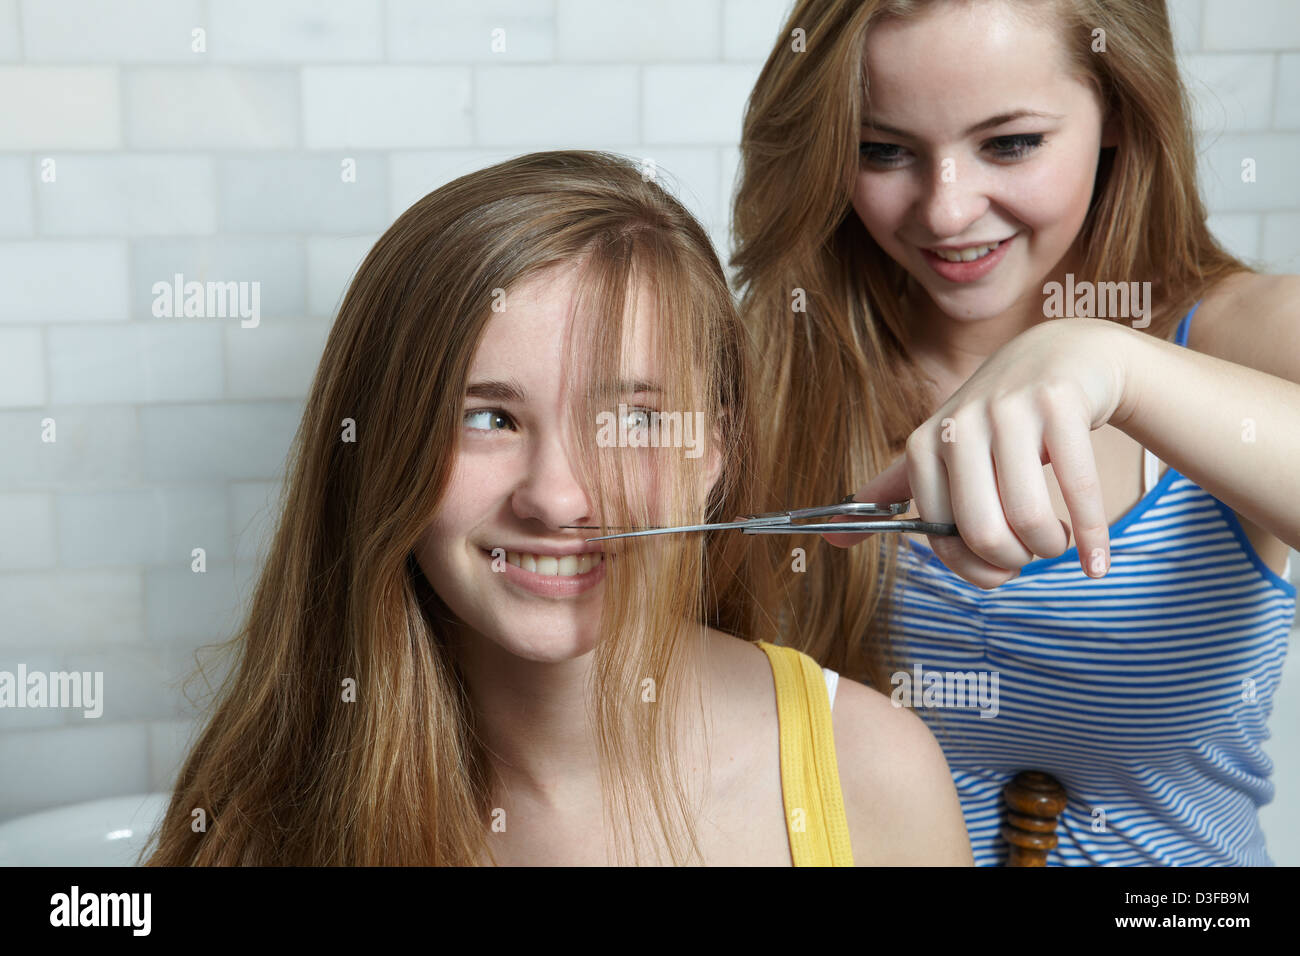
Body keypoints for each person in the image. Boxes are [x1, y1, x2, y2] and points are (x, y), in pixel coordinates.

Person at [141, 150, 971, 866]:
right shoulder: (259, 812)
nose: (557, 499)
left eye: (631, 421)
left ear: (712, 450)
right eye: (487, 418)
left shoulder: (874, 771)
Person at [732, 0, 1299, 864]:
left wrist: (1119, 364)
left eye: (1010, 144)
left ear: (1118, 110)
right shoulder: (774, 360)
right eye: (883, 150)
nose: (948, 211)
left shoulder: (1242, 331)